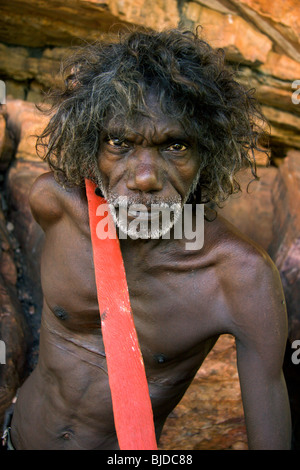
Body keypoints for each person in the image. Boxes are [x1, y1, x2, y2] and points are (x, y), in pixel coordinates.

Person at [6, 28, 291, 450]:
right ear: (92, 145)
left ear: (207, 154)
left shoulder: (241, 278)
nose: (145, 178)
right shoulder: (54, 203)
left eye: (175, 146)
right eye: (120, 142)